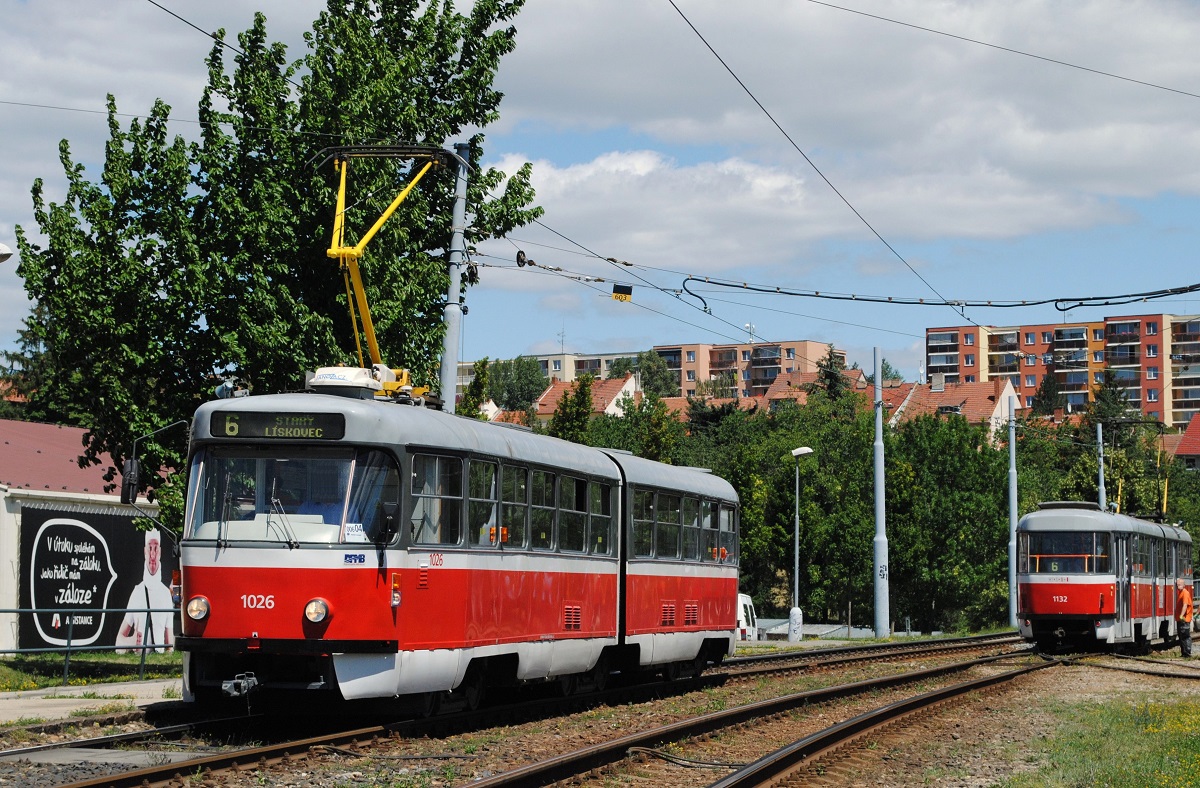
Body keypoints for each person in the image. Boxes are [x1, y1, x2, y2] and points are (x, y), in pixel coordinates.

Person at [116, 530, 175, 653]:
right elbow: (119, 641)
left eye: (156, 548)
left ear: (160, 552)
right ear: (145, 552)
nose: (152, 555)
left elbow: (170, 644)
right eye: (150, 548)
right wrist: (132, 642)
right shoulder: (137, 592)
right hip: (140, 657)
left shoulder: (165, 594)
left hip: (158, 658)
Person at [1177, 578, 1194, 658]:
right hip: (1181, 619)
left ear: (1184, 585)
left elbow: (1185, 605)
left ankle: (1187, 653)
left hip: (1184, 619)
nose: (1178, 586)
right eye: (1177, 585)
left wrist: (1181, 615)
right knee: (1181, 636)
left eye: (1179, 585)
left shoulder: (1185, 593)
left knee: (1185, 635)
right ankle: (1184, 653)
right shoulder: (1180, 593)